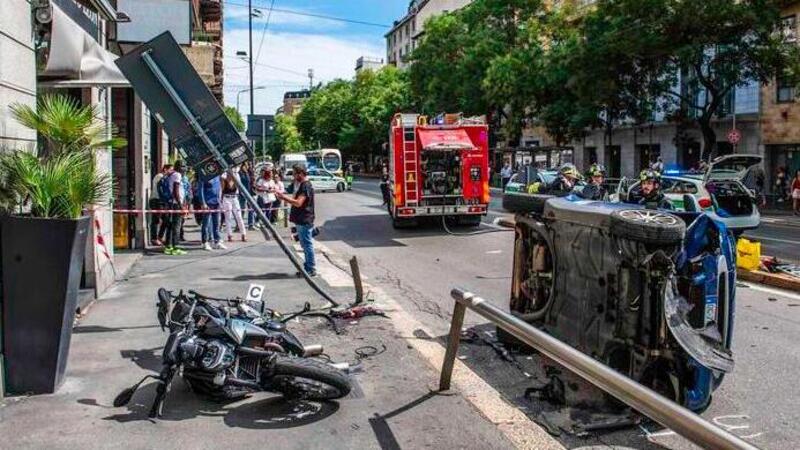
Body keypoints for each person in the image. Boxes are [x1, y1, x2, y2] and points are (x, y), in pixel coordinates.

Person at [275, 165, 316, 277]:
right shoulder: (301, 184)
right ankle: (308, 267)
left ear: (301, 173)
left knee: (307, 244)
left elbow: (298, 203)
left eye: (294, 174)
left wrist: (283, 197)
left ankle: (311, 269)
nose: (293, 176)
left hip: (304, 218)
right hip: (301, 218)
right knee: (305, 244)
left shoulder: (305, 185)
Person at [163, 160, 187, 255]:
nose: (184, 168)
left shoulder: (172, 174)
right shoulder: (177, 175)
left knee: (170, 225)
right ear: (179, 167)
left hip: (172, 203)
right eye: (183, 166)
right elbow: (175, 190)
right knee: (177, 226)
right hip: (176, 204)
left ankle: (168, 246)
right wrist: (181, 205)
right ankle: (175, 247)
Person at [197, 175, 224, 250]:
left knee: (217, 223)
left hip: (216, 202)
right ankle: (205, 242)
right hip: (208, 202)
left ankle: (217, 241)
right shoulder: (203, 176)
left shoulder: (217, 176)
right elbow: (200, 189)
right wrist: (203, 203)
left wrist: (220, 201)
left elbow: (219, 188)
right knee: (206, 224)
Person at [221, 168, 247, 242]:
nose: (231, 173)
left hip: (235, 198)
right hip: (227, 198)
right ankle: (230, 235)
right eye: (230, 172)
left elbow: (239, 187)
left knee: (239, 216)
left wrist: (234, 179)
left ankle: (243, 234)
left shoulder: (236, 177)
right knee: (228, 217)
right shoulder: (223, 178)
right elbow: (222, 189)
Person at [149, 164, 172, 246]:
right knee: (156, 220)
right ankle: (154, 238)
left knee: (166, 220)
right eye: (170, 170)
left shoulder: (164, 177)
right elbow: (161, 189)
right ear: (165, 169)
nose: (171, 172)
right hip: (156, 200)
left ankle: (160, 237)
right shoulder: (159, 176)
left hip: (161, 201)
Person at [238, 162, 255, 231]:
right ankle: (239, 226)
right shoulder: (240, 173)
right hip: (242, 193)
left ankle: (251, 224)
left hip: (249, 193)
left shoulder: (249, 173)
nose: (247, 166)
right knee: (242, 209)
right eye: (245, 165)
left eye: (248, 165)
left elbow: (251, 182)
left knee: (251, 209)